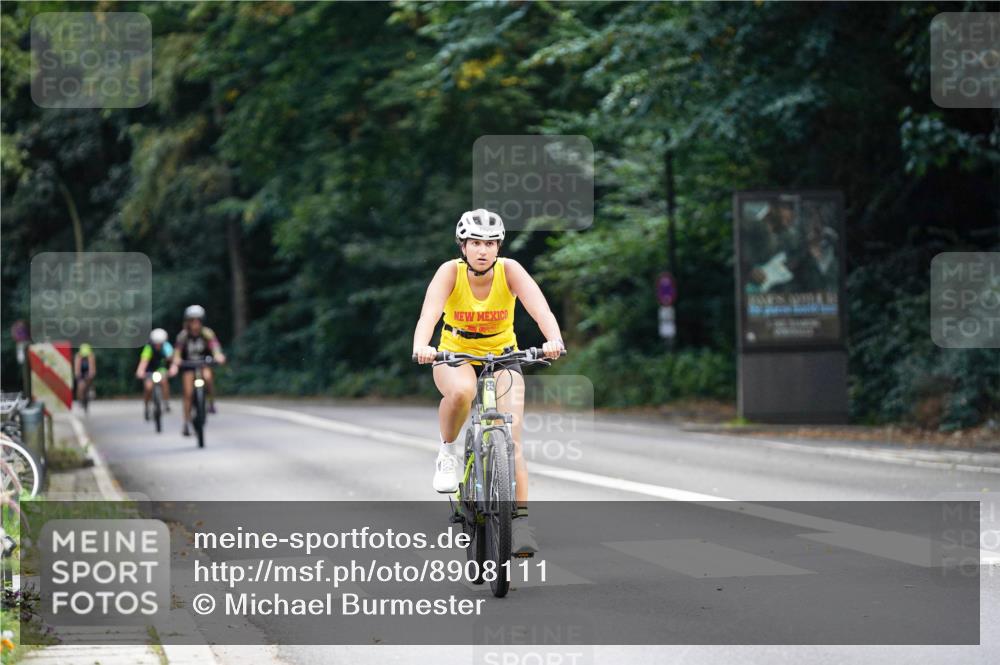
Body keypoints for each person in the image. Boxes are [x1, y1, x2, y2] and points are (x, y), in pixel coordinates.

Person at [412, 209, 565, 556]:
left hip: (503, 356)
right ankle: (449, 451)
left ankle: (520, 525)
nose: (483, 249)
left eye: (490, 243)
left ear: (498, 247)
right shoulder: (449, 272)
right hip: (455, 355)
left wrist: (553, 339)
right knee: (463, 391)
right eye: (475, 242)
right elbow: (430, 314)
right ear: (463, 246)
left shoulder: (510, 270)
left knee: (511, 441)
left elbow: (541, 309)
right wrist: (423, 346)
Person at [168, 305, 226, 436]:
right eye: (192, 320)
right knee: (188, 393)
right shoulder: (183, 336)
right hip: (188, 365)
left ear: (201, 321)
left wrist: (218, 356)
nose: (195, 324)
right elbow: (177, 352)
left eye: (197, 320)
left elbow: (215, 347)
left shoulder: (207, 333)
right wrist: (176, 363)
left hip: (203, 363)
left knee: (208, 377)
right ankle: (186, 423)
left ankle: (210, 401)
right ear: (188, 322)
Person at [135, 328, 174, 420]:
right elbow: (143, 362)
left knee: (164, 381)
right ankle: (147, 406)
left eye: (160, 343)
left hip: (161, 369)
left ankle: (166, 402)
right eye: (156, 343)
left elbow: (172, 360)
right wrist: (140, 371)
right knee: (148, 387)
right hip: (150, 370)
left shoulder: (167, 347)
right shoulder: (148, 348)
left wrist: (172, 368)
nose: (158, 345)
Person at [73, 343, 96, 407]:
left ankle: (91, 391)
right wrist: (78, 375)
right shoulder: (78, 356)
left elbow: (92, 367)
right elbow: (77, 367)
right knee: (80, 386)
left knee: (89, 381)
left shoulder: (91, 356)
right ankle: (80, 400)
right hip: (81, 372)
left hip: (87, 372)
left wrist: (91, 374)